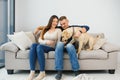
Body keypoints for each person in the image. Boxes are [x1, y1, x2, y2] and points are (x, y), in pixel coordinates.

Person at [26, 15, 62, 80]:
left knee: (39, 46)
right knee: (34, 45)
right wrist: (46, 42)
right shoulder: (45, 29)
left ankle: (42, 72)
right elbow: (40, 40)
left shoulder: (58, 30)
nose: (55, 23)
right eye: (54, 21)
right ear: (50, 21)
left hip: (52, 47)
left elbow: (59, 41)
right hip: (44, 45)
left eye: (56, 22)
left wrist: (55, 45)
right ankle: (32, 72)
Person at [55, 16, 89, 80]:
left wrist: (80, 31)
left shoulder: (73, 28)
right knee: (59, 44)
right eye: (61, 24)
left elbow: (87, 27)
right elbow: (48, 27)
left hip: (70, 48)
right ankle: (59, 72)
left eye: (64, 23)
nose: (62, 25)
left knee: (69, 45)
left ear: (67, 21)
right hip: (61, 48)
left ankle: (76, 71)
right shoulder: (59, 28)